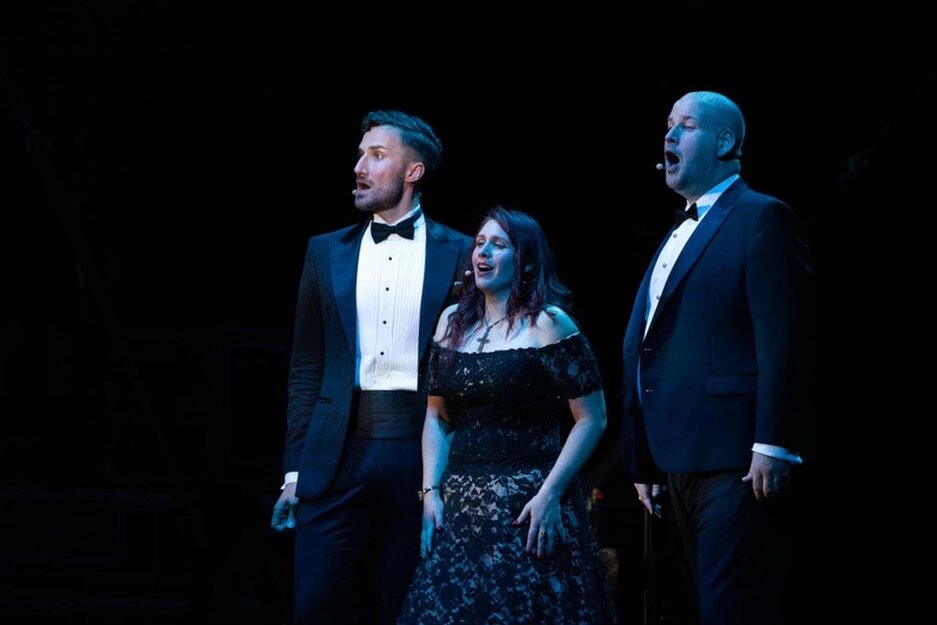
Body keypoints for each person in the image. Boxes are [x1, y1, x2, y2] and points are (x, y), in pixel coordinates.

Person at [270, 110, 473, 625]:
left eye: (376, 156)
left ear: (413, 171)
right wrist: (293, 469)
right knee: (316, 605)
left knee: (405, 605)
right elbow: (306, 367)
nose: (360, 166)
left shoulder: (462, 253)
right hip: (336, 452)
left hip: (420, 451)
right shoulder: (324, 252)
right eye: (360, 155)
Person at [621, 91, 814, 624]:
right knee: (692, 604)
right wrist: (640, 457)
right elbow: (647, 346)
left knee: (731, 606)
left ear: (725, 141)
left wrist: (775, 441)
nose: (669, 136)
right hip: (673, 457)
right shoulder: (675, 232)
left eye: (685, 125)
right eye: (666, 126)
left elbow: (784, 338)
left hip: (736, 457)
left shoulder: (761, 217)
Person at [397, 207, 615, 625]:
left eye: (498, 245)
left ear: (525, 260)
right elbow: (436, 418)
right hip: (460, 511)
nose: (483, 252)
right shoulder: (451, 323)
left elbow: (592, 419)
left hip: (527, 505)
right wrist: (430, 493)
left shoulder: (549, 324)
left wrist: (551, 493)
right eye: (480, 243)